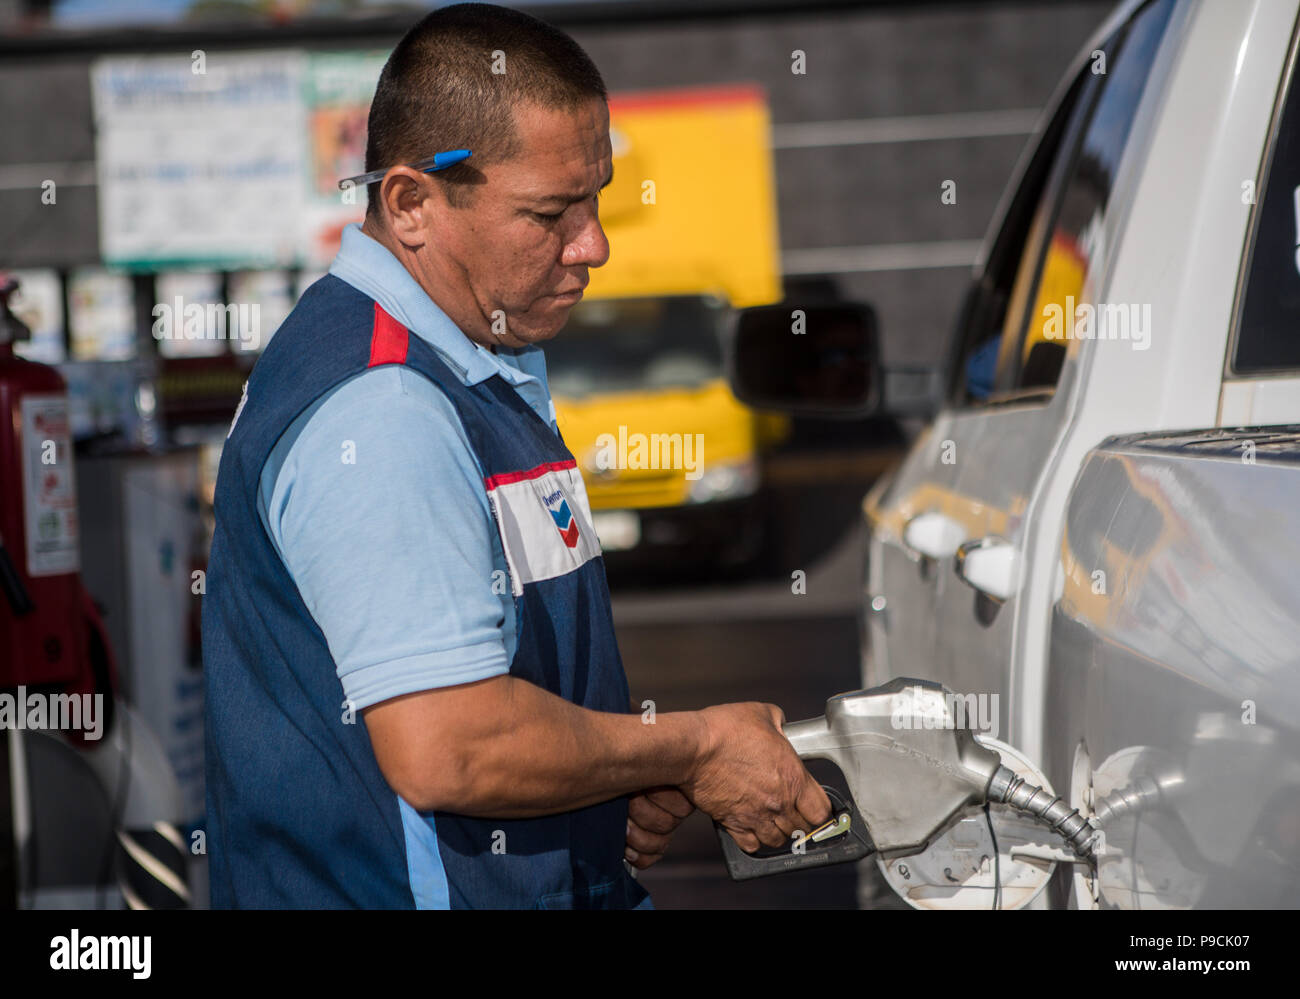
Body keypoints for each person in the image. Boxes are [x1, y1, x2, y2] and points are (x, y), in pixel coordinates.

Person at [202, 2, 829, 909]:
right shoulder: (383, 408)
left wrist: (603, 783)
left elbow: (510, 680)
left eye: (596, 197)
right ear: (411, 203)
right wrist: (693, 747)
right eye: (549, 213)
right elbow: (452, 745)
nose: (596, 245)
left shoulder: (471, 357)